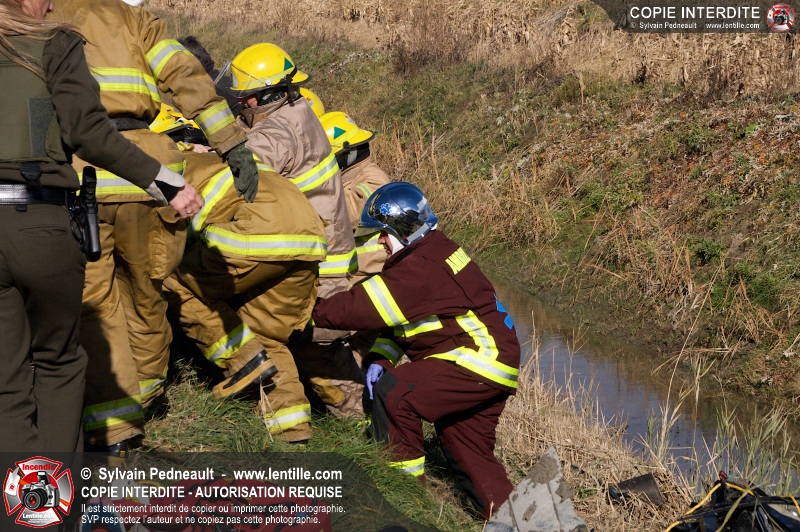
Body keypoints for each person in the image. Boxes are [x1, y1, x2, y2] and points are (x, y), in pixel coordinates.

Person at [49, 0, 257, 452]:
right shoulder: (135, 18)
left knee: (94, 303)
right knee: (148, 294)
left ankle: (115, 427)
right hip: (152, 174)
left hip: (78, 168)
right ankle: (146, 396)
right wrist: (231, 142)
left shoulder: (38, 15)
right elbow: (186, 73)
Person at [0, 0, 200, 454]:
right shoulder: (53, 41)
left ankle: (16, 497)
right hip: (38, 222)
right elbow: (88, 132)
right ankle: (47, 496)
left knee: (6, 382)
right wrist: (167, 184)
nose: (52, 4)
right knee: (57, 364)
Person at [312, 182, 520, 519]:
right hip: (493, 363)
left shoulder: (418, 268)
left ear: (402, 230)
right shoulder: (432, 252)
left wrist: (307, 308)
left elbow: (356, 308)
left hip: (477, 362)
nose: (379, 242)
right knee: (466, 449)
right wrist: (380, 358)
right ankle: (516, 521)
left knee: (396, 394)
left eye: (383, 233)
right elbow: (403, 325)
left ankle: (402, 495)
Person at [220, 42, 363, 420]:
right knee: (320, 352)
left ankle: (347, 420)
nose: (242, 105)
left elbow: (239, 173)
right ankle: (362, 421)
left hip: (318, 272)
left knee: (306, 343)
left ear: (261, 97)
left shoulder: (278, 132)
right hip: (327, 261)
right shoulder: (299, 111)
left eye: (245, 99)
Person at [163, 148, 327, 442]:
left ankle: (241, 361)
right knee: (265, 334)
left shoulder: (165, 165)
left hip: (255, 234)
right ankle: (291, 429)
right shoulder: (222, 157)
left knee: (174, 280)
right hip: (309, 240)